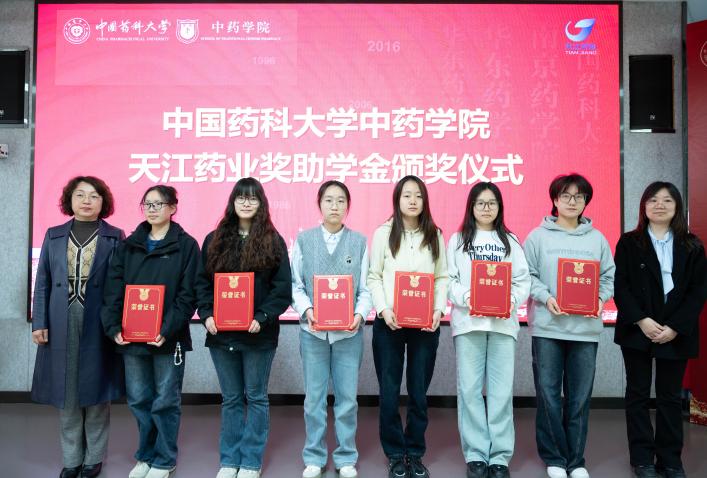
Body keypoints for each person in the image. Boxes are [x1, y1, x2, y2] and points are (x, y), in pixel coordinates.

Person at [101, 185, 200, 478]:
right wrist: (113, 327)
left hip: (168, 338)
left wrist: (166, 329)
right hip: (131, 337)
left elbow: (188, 295)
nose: (152, 209)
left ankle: (165, 459)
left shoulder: (186, 245)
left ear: (173, 208)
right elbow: (113, 289)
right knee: (139, 399)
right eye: (148, 204)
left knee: (166, 400)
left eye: (159, 204)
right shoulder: (129, 245)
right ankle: (145, 455)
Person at [198, 178, 292, 478]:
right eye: (241, 197)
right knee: (231, 398)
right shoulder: (214, 240)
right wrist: (207, 314)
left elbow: (282, 290)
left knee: (256, 397)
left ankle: (251, 461)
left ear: (261, 203)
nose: (247, 203)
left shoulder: (273, 241)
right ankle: (229, 460)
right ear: (233, 202)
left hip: (258, 334)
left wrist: (262, 316)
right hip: (220, 333)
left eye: (253, 198)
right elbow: (202, 284)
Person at [31, 176, 125, 478]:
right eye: (80, 195)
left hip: (99, 320)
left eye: (94, 195)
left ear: (103, 202)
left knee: (96, 391)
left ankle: (93, 459)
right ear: (69, 200)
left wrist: (118, 323)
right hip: (61, 320)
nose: (87, 201)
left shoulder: (115, 236)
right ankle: (72, 459)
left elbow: (121, 284)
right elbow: (43, 282)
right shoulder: (54, 235)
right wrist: (39, 322)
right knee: (66, 393)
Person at [523, 173, 615, 478]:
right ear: (555, 200)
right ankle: (554, 458)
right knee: (548, 396)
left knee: (579, 398)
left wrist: (599, 299)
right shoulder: (537, 237)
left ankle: (575, 461)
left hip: (584, 331)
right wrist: (546, 297)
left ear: (586, 201)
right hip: (548, 327)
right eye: (566, 195)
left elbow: (608, 276)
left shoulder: (597, 239)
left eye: (579, 196)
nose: (572, 201)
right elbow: (527, 275)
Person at [614, 182, 707, 478]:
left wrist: (676, 327)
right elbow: (621, 286)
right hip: (638, 328)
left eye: (667, 200)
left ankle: (670, 460)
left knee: (669, 397)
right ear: (644, 206)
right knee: (638, 394)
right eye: (653, 200)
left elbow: (698, 291)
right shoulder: (629, 242)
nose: (660, 205)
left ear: (677, 207)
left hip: (675, 330)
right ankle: (642, 459)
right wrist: (641, 320)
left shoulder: (692, 245)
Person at [446, 182, 531, 478]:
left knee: (501, 392)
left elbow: (523, 281)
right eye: (480, 203)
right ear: (471, 207)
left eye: (492, 203)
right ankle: (476, 454)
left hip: (503, 326)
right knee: (469, 391)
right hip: (468, 324)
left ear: (499, 207)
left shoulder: (511, 240)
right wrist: (469, 297)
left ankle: (499, 456)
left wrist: (510, 300)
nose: (486, 208)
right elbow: (449, 280)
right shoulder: (458, 240)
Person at [367, 175, 449, 478]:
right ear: (397, 200)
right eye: (407, 195)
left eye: (418, 196)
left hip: (425, 326)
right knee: (389, 392)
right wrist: (383, 309)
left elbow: (442, 276)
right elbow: (374, 276)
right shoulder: (383, 233)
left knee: (418, 392)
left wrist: (438, 309)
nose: (413, 201)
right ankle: (394, 454)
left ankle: (414, 453)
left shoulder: (434, 234)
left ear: (425, 201)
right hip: (389, 323)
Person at [291, 180, 372, 478]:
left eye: (340, 201)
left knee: (347, 399)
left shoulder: (360, 242)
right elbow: (295, 285)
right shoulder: (304, 241)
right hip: (312, 333)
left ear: (348, 206)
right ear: (319, 204)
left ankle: (346, 456)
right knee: (313, 399)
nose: (334, 206)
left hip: (348, 333)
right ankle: (314, 456)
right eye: (329, 200)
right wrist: (307, 310)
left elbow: (366, 288)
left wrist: (359, 315)